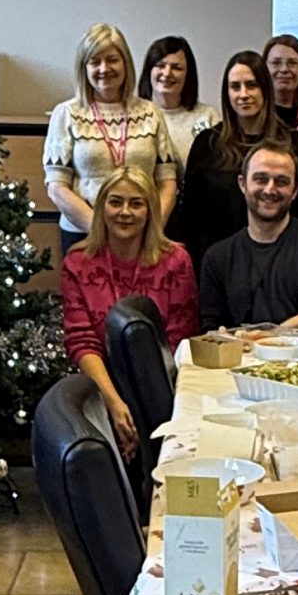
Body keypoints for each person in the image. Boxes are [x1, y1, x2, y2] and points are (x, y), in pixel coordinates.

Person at [60, 167, 199, 459]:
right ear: (102, 208)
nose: (125, 212)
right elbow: (82, 341)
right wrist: (114, 404)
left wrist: (142, 411)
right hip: (101, 387)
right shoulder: (77, 262)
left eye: (136, 203)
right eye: (115, 202)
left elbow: (179, 341)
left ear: (150, 210)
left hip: (163, 387)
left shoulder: (176, 261)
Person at [43, 24, 177, 247]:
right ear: (84, 67)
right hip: (84, 235)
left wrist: (153, 229)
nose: (104, 68)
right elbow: (57, 187)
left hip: (143, 237)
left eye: (112, 60)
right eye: (95, 61)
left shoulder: (151, 113)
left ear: (126, 64)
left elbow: (167, 182)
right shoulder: (66, 114)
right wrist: (101, 232)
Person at [175, 51, 298, 263]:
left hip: (283, 259)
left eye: (252, 85)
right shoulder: (207, 144)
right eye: (235, 86)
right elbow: (192, 216)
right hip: (218, 261)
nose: (243, 94)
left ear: (265, 89)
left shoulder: (294, 144)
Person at [198, 139, 298, 331]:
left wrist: (268, 338)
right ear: (242, 184)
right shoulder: (217, 257)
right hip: (237, 351)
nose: (270, 189)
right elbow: (212, 326)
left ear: (295, 190)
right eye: (261, 179)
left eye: (282, 181)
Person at [138, 35, 218, 185]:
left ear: (188, 74)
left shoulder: (208, 117)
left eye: (177, 68)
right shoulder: (133, 116)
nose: (167, 73)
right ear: (149, 70)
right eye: (160, 65)